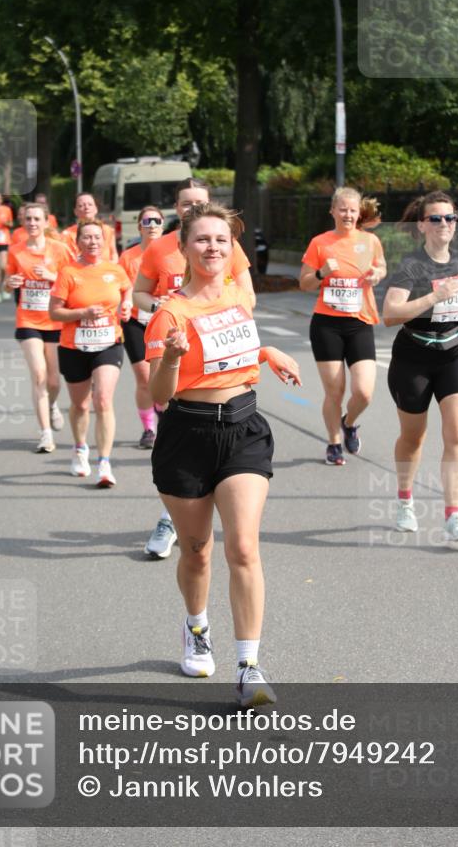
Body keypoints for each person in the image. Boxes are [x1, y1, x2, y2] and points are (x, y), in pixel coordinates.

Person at [145, 201, 300, 706]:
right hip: (186, 435)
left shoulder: (238, 295)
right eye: (202, 239)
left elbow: (232, 353)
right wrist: (172, 356)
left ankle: (249, 667)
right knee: (196, 550)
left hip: (243, 428)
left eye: (221, 240)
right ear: (184, 248)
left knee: (244, 547)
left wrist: (266, 352)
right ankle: (196, 627)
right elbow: (160, 395)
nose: (213, 247)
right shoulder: (170, 313)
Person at [134, 179, 256, 558]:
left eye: (199, 201)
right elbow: (139, 293)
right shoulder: (161, 249)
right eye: (186, 204)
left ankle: (178, 517)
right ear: (178, 209)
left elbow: (247, 295)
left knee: (243, 547)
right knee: (197, 548)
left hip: (236, 402)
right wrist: (170, 314)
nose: (193, 208)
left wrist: (225, 320)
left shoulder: (224, 244)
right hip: (178, 357)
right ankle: (172, 517)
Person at [382, 192, 458, 542]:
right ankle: (405, 501)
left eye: (450, 218)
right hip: (414, 357)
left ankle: (454, 516)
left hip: (456, 352)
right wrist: (434, 297)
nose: (445, 224)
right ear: (422, 225)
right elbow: (390, 314)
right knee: (413, 437)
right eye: (436, 218)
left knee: (457, 435)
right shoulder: (411, 266)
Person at [299, 187, 386, 465]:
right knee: (334, 392)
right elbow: (304, 283)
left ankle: (348, 423)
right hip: (327, 325)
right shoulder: (320, 243)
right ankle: (334, 442)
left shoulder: (370, 241)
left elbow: (381, 268)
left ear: (359, 213)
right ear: (333, 211)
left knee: (364, 392)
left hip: (359, 322)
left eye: (353, 210)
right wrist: (321, 273)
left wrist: (376, 274)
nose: (348, 214)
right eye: (343, 209)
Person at [49, 220, 132, 486]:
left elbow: (127, 289)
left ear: (104, 241)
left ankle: (104, 463)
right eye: (86, 237)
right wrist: (82, 313)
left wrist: (127, 303)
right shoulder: (68, 273)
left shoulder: (115, 270)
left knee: (103, 400)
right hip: (74, 346)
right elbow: (54, 312)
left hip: (109, 342)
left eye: (97, 237)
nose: (92, 241)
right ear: (78, 242)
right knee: (81, 404)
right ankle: (80, 447)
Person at [5, 203, 73, 453]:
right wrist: (10, 283)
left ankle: (52, 405)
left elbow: (74, 280)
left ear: (46, 222)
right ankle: (45, 434)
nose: (32, 223)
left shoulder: (60, 249)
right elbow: (8, 282)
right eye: (28, 219)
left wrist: (51, 276)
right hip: (28, 320)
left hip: (55, 320)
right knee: (39, 375)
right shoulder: (16, 251)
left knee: (54, 381)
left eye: (36, 219)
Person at [118, 205, 165, 450]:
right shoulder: (129, 257)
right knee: (145, 378)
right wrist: (125, 303)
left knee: (166, 376)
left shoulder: (173, 253)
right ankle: (149, 428)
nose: (152, 225)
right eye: (147, 221)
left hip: (165, 322)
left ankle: (164, 417)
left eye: (157, 221)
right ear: (139, 227)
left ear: (163, 225)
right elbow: (122, 288)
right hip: (137, 321)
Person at [61, 193, 118, 262]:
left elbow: (114, 254)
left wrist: (111, 266)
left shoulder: (107, 230)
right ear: (75, 211)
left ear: (96, 209)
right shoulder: (67, 235)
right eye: (81, 205)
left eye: (90, 204)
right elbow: (65, 259)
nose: (86, 208)